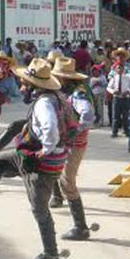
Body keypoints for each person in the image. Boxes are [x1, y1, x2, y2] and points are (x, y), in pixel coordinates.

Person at [0, 58, 71, 259]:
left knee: (39, 208)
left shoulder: (44, 104)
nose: (21, 86)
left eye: (24, 82)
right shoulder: (55, 97)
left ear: (33, 85)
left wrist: (45, 150)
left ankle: (51, 253)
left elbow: (50, 129)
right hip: (39, 154)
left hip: (40, 161)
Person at [48, 58, 95, 240]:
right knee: (64, 179)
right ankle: (79, 225)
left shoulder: (79, 94)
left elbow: (88, 116)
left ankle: (80, 227)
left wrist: (73, 132)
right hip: (73, 143)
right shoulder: (77, 91)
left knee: (68, 182)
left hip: (75, 144)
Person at [107, 62, 130, 137]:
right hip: (117, 98)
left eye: (121, 68)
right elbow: (108, 87)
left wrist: (128, 91)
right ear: (115, 69)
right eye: (118, 68)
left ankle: (126, 131)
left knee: (125, 116)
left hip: (125, 98)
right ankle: (114, 132)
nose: (119, 69)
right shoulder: (114, 78)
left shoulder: (127, 77)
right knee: (115, 116)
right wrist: (113, 91)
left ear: (123, 69)